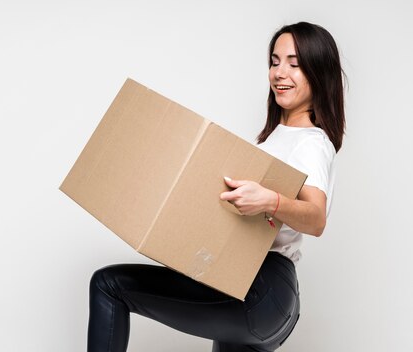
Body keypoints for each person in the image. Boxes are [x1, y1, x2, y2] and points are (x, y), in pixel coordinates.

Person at [87, 22, 345, 352]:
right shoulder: (275, 137)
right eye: (274, 61)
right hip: (249, 285)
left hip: (261, 289)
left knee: (110, 285)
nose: (280, 73)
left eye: (294, 64)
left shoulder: (311, 142)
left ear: (318, 71)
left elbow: (316, 218)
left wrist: (270, 200)